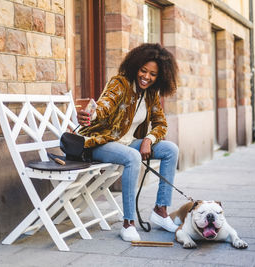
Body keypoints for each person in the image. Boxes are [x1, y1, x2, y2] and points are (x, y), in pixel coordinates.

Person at [76, 43, 179, 242]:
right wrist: (91, 114)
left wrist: (148, 139)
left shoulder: (151, 93)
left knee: (170, 149)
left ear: (160, 76)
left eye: (153, 74)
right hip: (100, 143)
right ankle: (128, 222)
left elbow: (161, 124)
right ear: (135, 67)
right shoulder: (119, 84)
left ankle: (160, 211)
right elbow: (105, 106)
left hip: (127, 142)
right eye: (143, 71)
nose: (146, 77)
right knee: (133, 157)